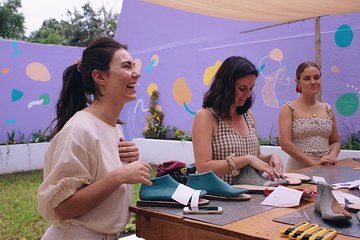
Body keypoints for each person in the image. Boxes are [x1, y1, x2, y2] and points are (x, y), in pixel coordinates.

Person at [37, 36, 152, 240]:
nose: (137, 73)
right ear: (99, 77)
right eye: (126, 66)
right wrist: (120, 175)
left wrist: (125, 163)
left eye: (134, 66)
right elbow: (62, 208)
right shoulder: (79, 129)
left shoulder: (113, 128)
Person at [192, 56, 285, 186]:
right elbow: (203, 167)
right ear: (225, 86)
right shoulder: (206, 117)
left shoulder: (248, 116)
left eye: (251, 88)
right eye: (242, 88)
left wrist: (270, 158)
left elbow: (255, 156)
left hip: (251, 197)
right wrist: (246, 159)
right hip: (220, 197)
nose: (247, 95)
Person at [278, 61, 341, 172]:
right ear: (297, 82)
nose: (313, 82)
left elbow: (335, 142)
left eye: (316, 77)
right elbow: (285, 144)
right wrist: (314, 164)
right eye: (307, 78)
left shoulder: (327, 109)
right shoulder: (288, 108)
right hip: (298, 171)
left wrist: (332, 157)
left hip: (326, 169)